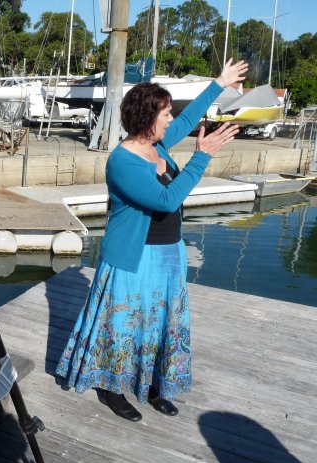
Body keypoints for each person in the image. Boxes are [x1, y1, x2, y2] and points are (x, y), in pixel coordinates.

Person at [56, 59, 248, 422]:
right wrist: (200, 158)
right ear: (147, 120)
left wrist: (219, 83)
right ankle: (111, 387)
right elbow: (166, 200)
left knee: (161, 322)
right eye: (165, 115)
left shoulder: (156, 146)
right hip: (133, 256)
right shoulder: (122, 162)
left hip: (169, 253)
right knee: (125, 324)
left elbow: (189, 121)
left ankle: (155, 383)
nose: (171, 120)